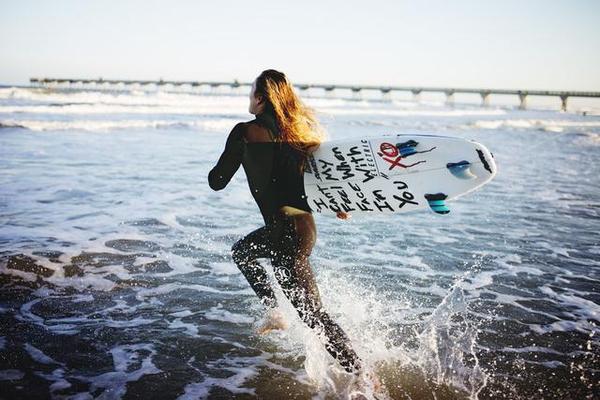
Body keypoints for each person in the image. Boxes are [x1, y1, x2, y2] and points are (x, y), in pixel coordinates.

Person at [208, 69, 363, 376]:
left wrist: (234, 155)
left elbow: (217, 181)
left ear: (261, 98)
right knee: (243, 252)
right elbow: (315, 180)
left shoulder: (245, 132)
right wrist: (337, 205)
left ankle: (361, 373)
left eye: (251, 92)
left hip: (285, 233)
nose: (248, 99)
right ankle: (275, 312)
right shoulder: (297, 133)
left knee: (314, 316)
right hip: (302, 228)